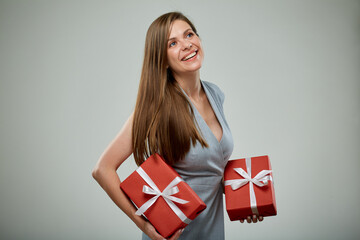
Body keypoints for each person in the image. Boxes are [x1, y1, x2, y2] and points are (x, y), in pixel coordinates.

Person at [92, 12, 263, 240]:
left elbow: (209, 170)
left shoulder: (215, 94)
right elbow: (102, 170)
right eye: (173, 43)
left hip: (212, 231)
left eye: (189, 34)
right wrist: (143, 225)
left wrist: (245, 199)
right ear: (161, 59)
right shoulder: (157, 106)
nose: (186, 44)